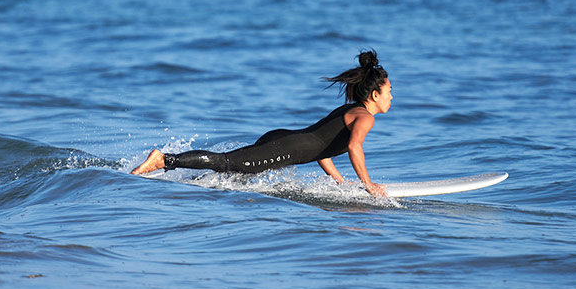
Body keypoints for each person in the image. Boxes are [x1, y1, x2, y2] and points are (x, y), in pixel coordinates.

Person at [132, 50, 392, 196]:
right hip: (287, 147)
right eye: (389, 90)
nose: (391, 96)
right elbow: (355, 147)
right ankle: (165, 160)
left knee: (233, 173)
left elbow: (322, 148)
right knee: (226, 163)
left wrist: (340, 181)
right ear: (375, 94)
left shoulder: (349, 110)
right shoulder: (364, 117)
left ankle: (186, 181)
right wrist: (368, 185)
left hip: (284, 138)